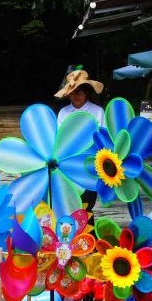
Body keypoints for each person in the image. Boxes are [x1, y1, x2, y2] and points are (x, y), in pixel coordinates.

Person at [55, 69, 104, 214]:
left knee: (88, 202)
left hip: (90, 163)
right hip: (68, 165)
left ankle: (88, 234)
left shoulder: (97, 111)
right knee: (69, 201)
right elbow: (59, 140)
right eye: (73, 92)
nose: (76, 95)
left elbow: (101, 137)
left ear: (86, 93)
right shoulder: (63, 112)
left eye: (79, 92)